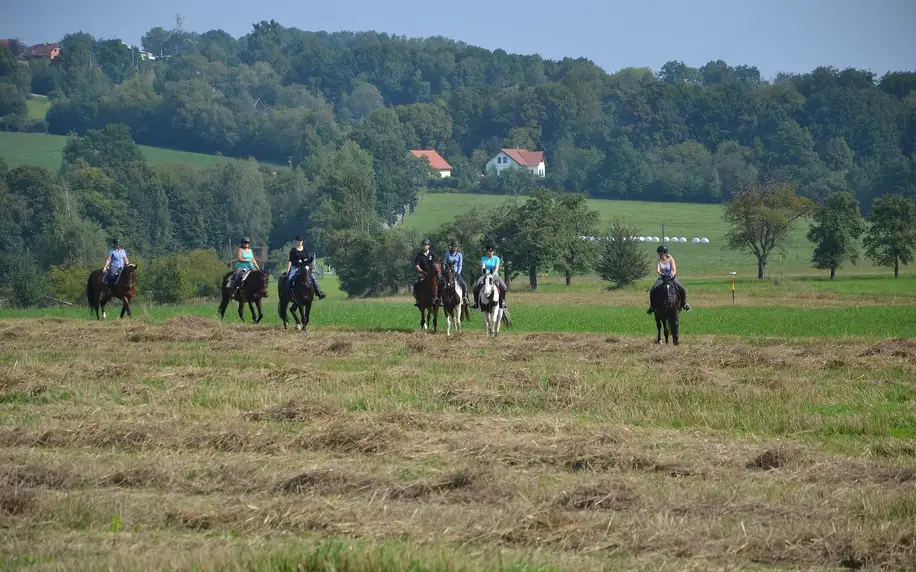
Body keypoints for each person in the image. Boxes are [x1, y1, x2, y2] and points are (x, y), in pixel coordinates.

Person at [648, 245, 690, 313]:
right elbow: (657, 270)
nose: (659, 255)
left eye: (661, 253)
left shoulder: (671, 260)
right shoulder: (659, 261)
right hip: (662, 278)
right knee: (653, 290)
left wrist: (672, 274)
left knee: (683, 289)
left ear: (665, 253)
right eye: (658, 253)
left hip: (671, 278)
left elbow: (674, 269)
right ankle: (651, 307)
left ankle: (684, 304)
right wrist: (661, 274)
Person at [471, 244, 507, 309]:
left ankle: (502, 302)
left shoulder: (496, 258)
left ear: (493, 251)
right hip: (485, 275)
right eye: (489, 251)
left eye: (492, 251)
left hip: (494, 275)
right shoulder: (483, 259)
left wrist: (492, 274)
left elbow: (496, 268)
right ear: (487, 251)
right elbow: (483, 267)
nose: (490, 252)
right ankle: (476, 303)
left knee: (504, 287)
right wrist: (485, 274)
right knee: (475, 287)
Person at [413, 238, 441, 307]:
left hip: (432, 273)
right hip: (423, 273)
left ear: (429, 246)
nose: (424, 246)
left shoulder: (432, 254)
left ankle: (439, 299)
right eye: (423, 245)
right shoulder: (419, 255)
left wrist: (437, 271)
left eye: (426, 245)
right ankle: (418, 300)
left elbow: (437, 263)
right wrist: (422, 271)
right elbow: (417, 265)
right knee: (417, 283)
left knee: (440, 283)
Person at [442, 239, 470, 306]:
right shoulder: (447, 254)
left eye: (456, 247)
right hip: (448, 273)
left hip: (456, 273)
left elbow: (460, 265)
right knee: (440, 284)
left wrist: (458, 272)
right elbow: (444, 263)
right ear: (451, 247)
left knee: (464, 285)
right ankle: (439, 299)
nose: (455, 248)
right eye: (454, 246)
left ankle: (464, 298)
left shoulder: (459, 255)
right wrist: (445, 271)